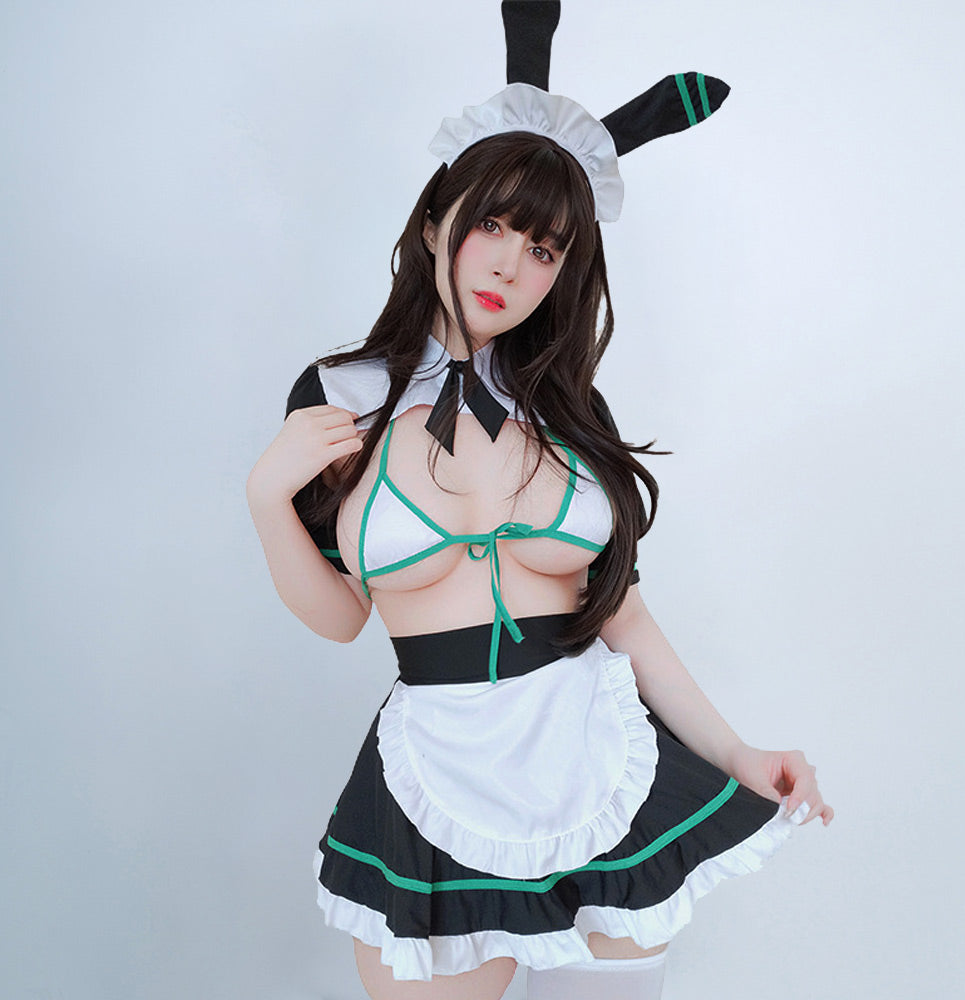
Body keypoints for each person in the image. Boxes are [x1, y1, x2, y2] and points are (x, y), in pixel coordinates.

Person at [247, 7, 832, 1000]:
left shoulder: (567, 408)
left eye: (546, 248)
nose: (509, 265)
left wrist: (737, 749)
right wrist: (267, 498)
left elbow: (621, 615)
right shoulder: (341, 396)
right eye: (491, 224)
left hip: (599, 756)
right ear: (434, 222)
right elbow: (343, 616)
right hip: (440, 769)